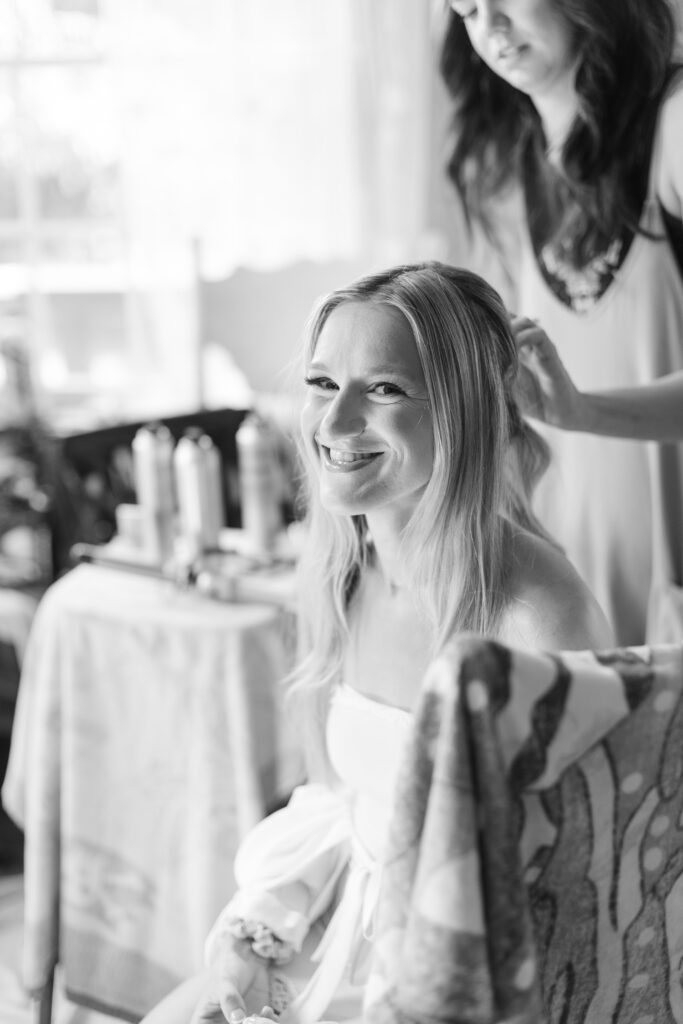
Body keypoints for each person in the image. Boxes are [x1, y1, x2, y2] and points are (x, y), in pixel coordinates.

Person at [141, 261, 611, 1024]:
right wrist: (259, 926)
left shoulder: (539, 617)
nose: (329, 425)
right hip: (342, 936)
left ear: (463, 410)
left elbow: (577, 892)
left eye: (383, 389)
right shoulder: (340, 575)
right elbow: (341, 803)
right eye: (322, 384)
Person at [440, 0, 683, 646]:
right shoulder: (503, 167)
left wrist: (586, 410)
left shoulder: (674, 124)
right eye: (464, 8)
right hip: (570, 578)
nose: (488, 27)